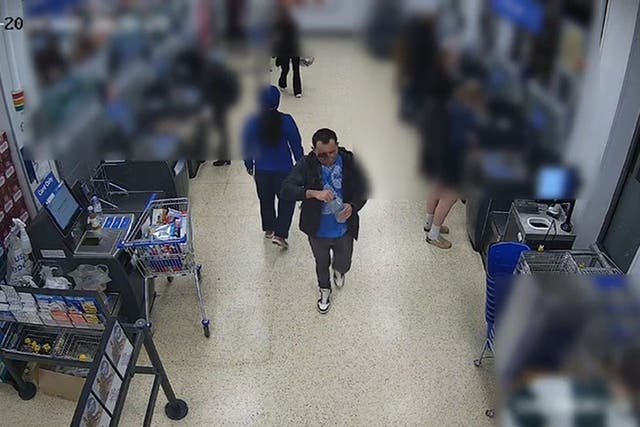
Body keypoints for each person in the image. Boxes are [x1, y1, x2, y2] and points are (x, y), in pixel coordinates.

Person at [281, 129, 369, 314]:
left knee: (344, 261)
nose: (328, 159)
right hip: (317, 230)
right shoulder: (306, 165)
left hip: (344, 229)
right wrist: (312, 193)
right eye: (322, 156)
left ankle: (339, 269)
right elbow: (286, 189)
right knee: (321, 262)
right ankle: (324, 289)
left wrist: (352, 206)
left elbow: (363, 188)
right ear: (313, 150)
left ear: (337, 145)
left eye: (332, 153)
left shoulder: (350, 162)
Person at [423, 80, 485, 249]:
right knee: (449, 197)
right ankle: (433, 235)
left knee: (436, 189)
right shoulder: (468, 117)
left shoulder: (451, 108)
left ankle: (429, 223)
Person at [243, 86, 303, 248]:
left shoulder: (251, 122)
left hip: (262, 170)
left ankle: (269, 228)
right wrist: (302, 165)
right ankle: (280, 234)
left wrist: (249, 165)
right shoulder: (287, 120)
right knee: (286, 201)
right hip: (285, 171)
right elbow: (296, 145)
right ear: (277, 102)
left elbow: (247, 146)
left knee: (266, 200)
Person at [272, 5, 303, 97]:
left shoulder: (294, 23)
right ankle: (282, 82)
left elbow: (297, 37)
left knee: (296, 70)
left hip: (294, 48)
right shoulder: (277, 24)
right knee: (285, 69)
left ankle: (297, 91)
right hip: (284, 49)